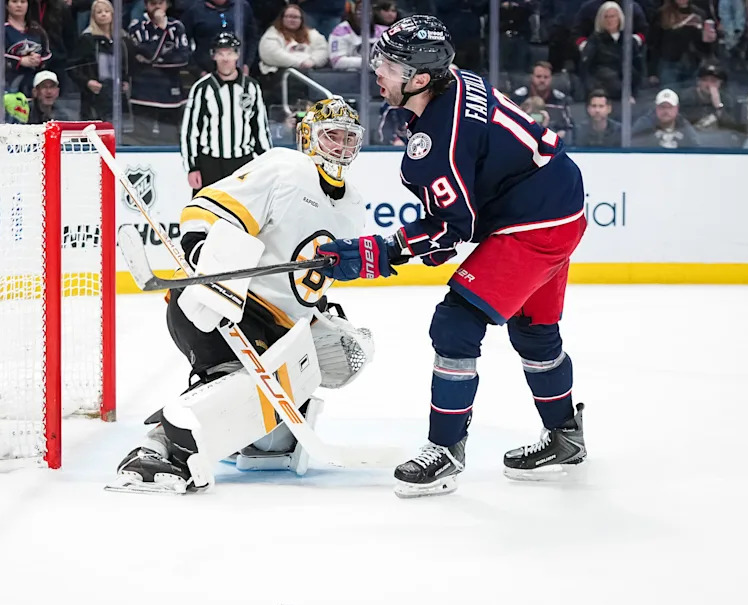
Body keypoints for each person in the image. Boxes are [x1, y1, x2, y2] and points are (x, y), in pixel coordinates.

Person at [315, 15, 588, 498]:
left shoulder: (437, 138)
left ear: (420, 79)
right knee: (534, 330)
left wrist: (376, 252)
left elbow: (449, 230)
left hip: (534, 222)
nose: (376, 69)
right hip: (554, 201)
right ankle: (565, 437)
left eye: (389, 64)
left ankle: (444, 451)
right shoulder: (455, 84)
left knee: (456, 323)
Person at [114, 98, 370, 494]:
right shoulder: (285, 168)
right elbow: (206, 209)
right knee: (237, 388)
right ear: (309, 137)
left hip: (281, 329)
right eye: (331, 136)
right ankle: (156, 447)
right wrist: (201, 249)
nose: (339, 146)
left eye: (348, 139)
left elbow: (307, 277)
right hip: (226, 307)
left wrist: (321, 309)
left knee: (273, 439)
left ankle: (242, 432)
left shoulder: (354, 203)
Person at [180, 32, 271, 197]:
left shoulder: (251, 87)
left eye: (230, 53)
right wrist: (192, 167)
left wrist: (268, 163)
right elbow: (190, 131)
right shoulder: (202, 88)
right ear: (213, 56)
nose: (225, 58)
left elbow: (260, 129)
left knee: (243, 213)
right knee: (206, 214)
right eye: (220, 54)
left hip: (243, 163)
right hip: (210, 163)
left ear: (237, 55)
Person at [125, 0, 189, 144]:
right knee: (142, 140)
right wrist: (161, 29)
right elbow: (149, 54)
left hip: (170, 92)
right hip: (143, 91)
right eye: (153, 3)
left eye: (161, 3)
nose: (157, 7)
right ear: (146, 5)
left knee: (170, 139)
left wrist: (154, 61)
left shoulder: (177, 26)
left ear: (167, 5)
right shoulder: (136, 27)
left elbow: (184, 59)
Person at [69, 0, 132, 122]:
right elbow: (73, 67)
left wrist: (125, 80)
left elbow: (128, 63)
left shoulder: (122, 38)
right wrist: (87, 82)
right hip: (95, 95)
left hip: (118, 95)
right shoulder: (87, 39)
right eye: (99, 12)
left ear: (113, 14)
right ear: (93, 16)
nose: (103, 14)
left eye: (107, 11)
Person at [0, 0, 53, 95]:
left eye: (23, 2)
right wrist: (19, 61)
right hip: (4, 81)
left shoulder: (37, 28)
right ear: (6, 5)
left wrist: (38, 60)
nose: (19, 5)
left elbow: (48, 54)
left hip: (32, 81)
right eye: (14, 1)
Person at [512, 61, 573, 143]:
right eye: (538, 76)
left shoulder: (560, 100)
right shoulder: (518, 98)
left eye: (546, 77)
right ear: (532, 77)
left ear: (551, 78)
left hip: (552, 145)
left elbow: (570, 128)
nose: (542, 80)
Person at [631, 87, 700, 148]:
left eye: (670, 107)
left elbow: (696, 149)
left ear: (677, 108)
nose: (666, 111)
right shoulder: (644, 125)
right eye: (662, 107)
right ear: (656, 108)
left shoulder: (684, 126)